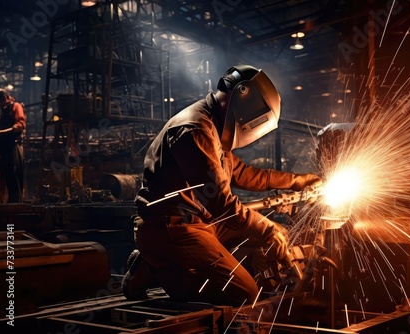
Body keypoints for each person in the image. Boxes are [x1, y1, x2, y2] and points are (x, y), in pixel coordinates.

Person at [122, 65, 322, 306]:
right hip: (171, 229)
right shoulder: (195, 130)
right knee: (243, 295)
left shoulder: (213, 125)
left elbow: (242, 173)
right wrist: (267, 228)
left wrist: (298, 181)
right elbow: (222, 205)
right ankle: (159, 272)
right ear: (241, 98)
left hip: (199, 223)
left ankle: (162, 264)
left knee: (268, 235)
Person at [0, 88, 26, 203]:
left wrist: (3, 132)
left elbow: (20, 124)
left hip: (13, 146)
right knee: (4, 175)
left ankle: (15, 203)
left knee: (13, 175)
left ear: (5, 97)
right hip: (2, 147)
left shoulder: (15, 106)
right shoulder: (2, 110)